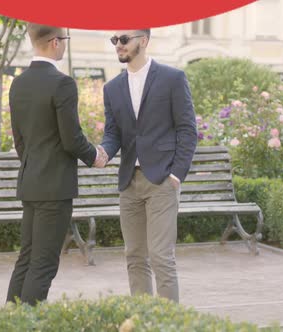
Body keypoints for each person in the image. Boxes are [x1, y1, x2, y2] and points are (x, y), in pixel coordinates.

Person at [6, 23, 107, 305]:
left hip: (31, 183)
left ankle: (9, 320)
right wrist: (94, 156)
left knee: (26, 258)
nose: (65, 43)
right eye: (65, 39)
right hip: (55, 187)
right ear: (54, 42)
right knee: (44, 263)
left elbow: (20, 141)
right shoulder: (62, 83)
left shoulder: (18, 83)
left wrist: (35, 165)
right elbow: (71, 139)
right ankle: (26, 323)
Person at [98, 29, 197, 303]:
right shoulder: (112, 88)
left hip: (162, 179)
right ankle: (144, 320)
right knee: (134, 255)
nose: (118, 45)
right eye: (114, 40)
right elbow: (113, 134)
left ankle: (167, 323)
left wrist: (176, 174)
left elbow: (187, 129)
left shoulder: (172, 79)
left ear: (143, 40)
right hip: (129, 182)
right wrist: (103, 153)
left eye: (124, 39)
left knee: (161, 256)